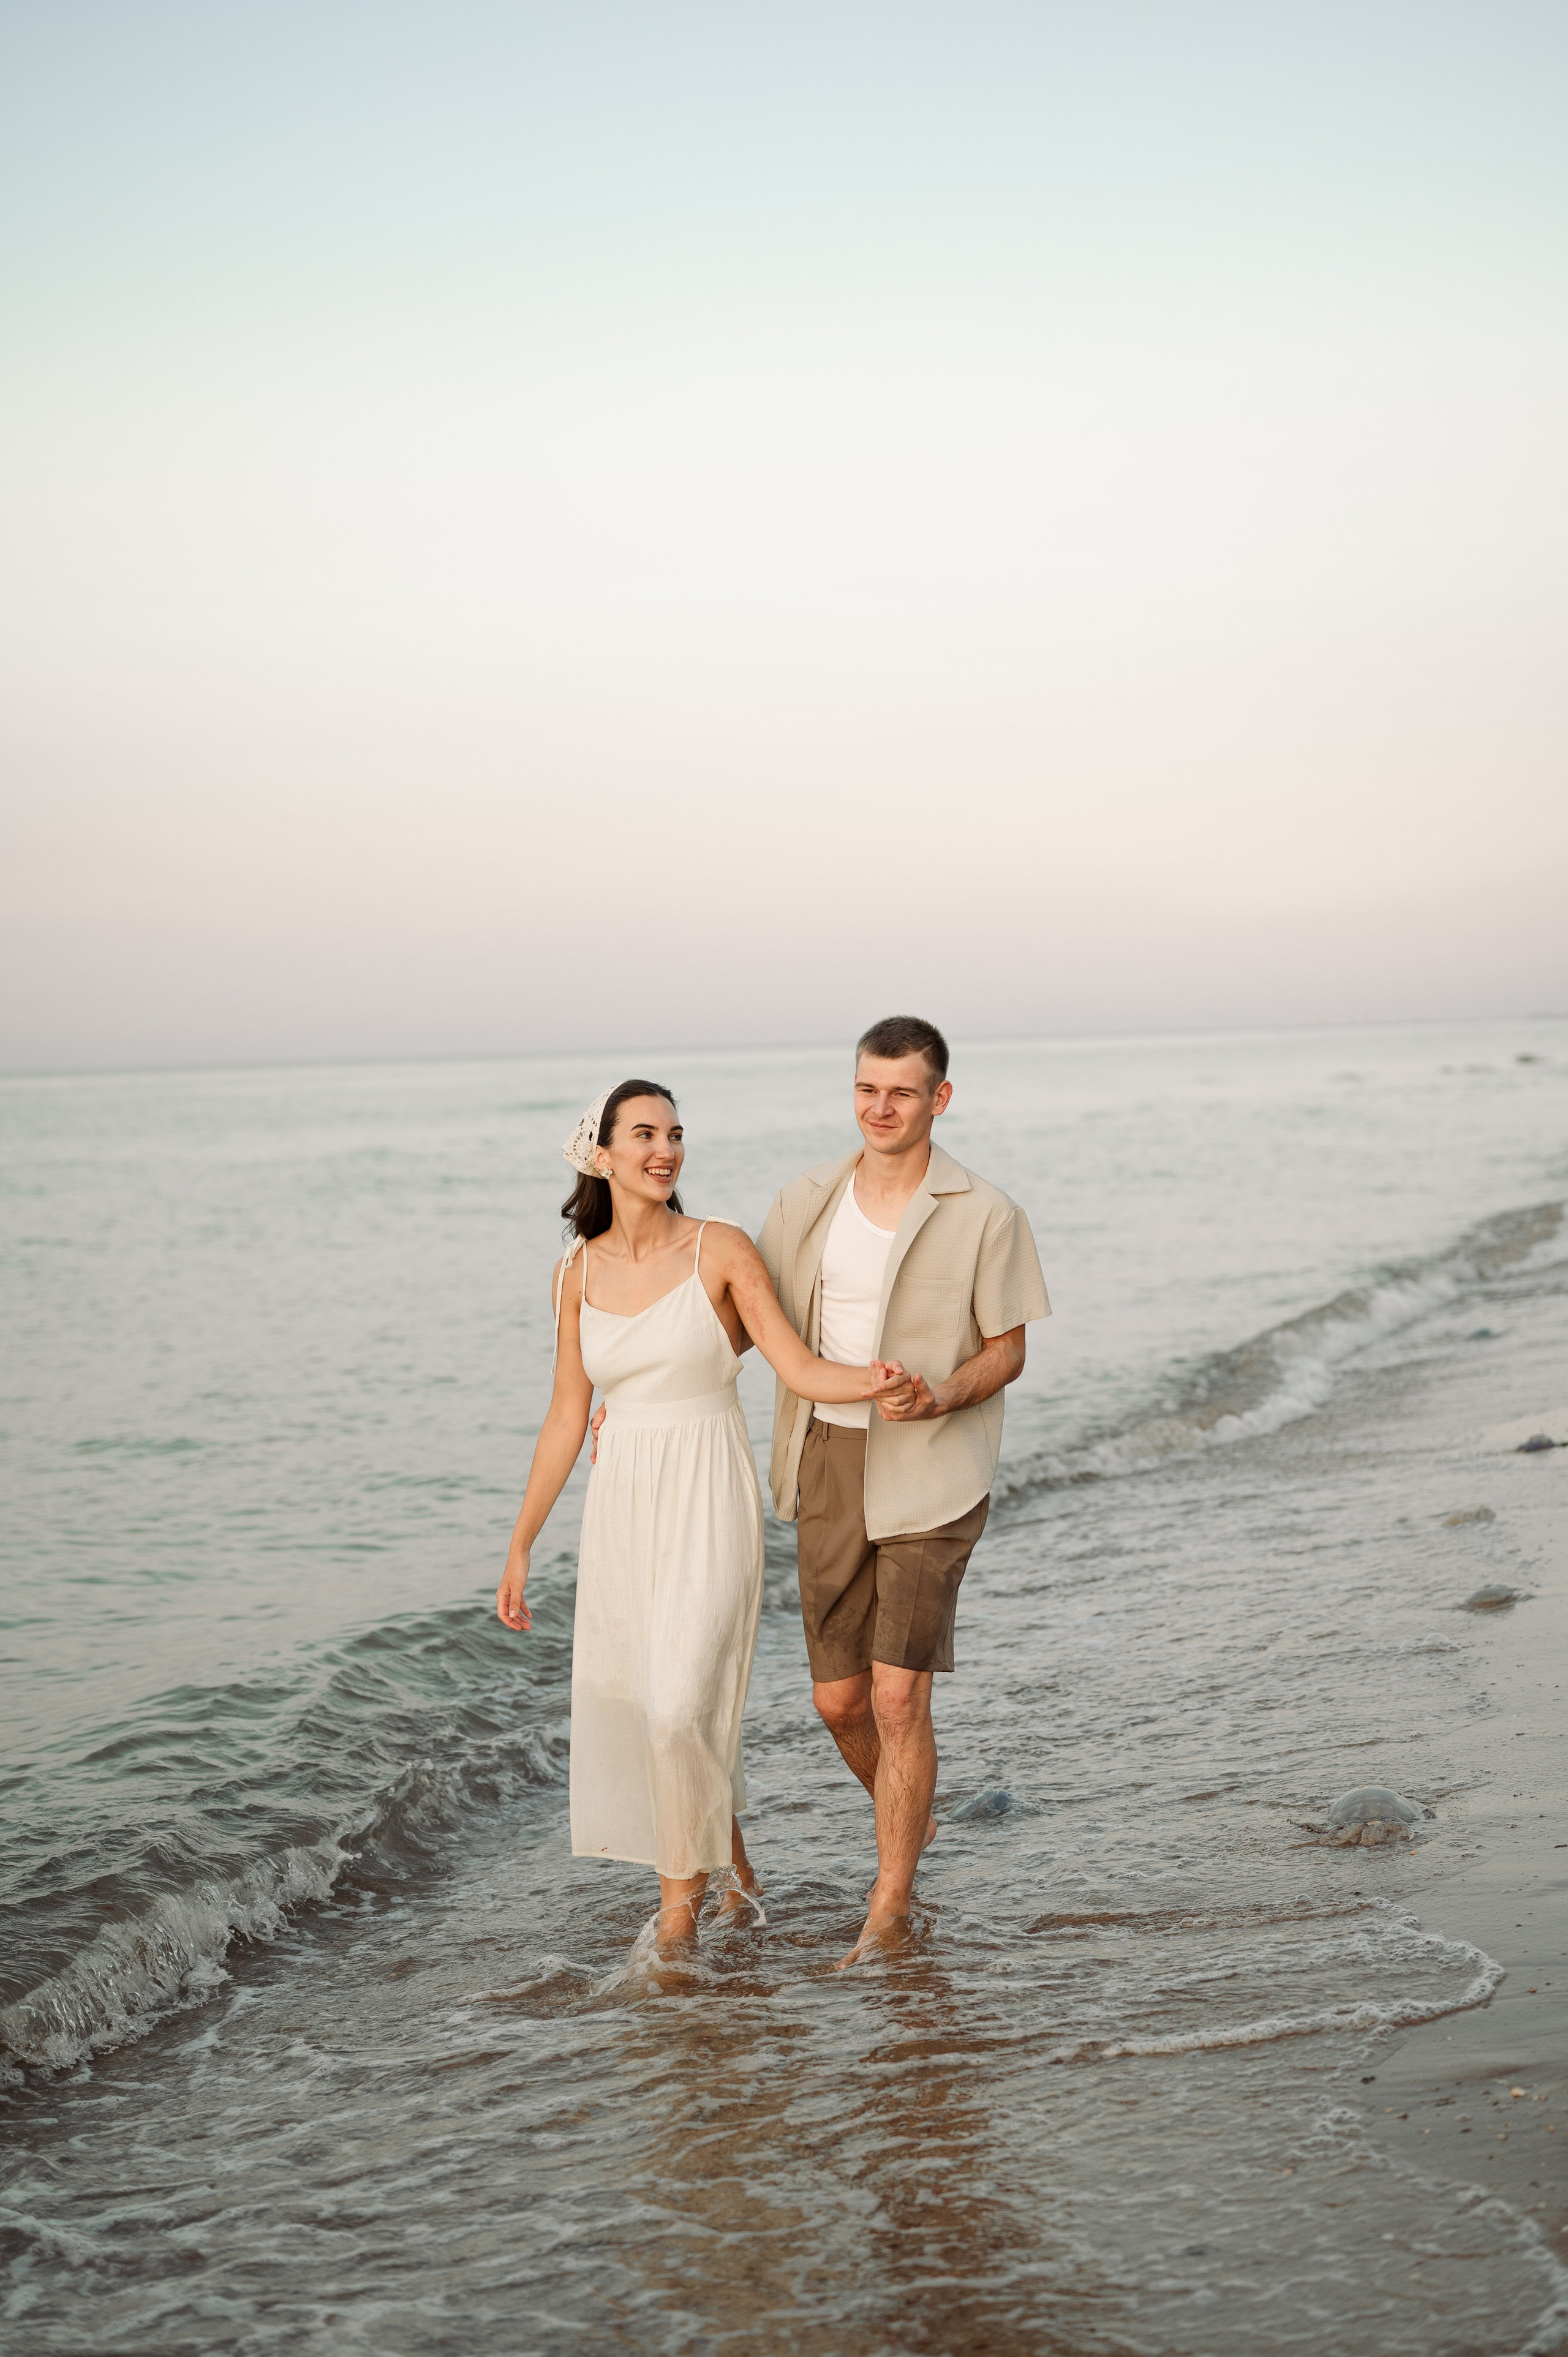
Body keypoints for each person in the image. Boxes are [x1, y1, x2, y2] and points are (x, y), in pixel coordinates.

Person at [496, 1078, 906, 1955]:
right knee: (656, 1709)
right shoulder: (574, 1273)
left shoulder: (717, 1248)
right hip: (624, 1504)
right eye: (643, 1135)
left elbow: (796, 1364)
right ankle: (738, 1875)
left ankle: (675, 1917)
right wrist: (521, 1546)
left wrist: (873, 1380)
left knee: (681, 1708)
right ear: (601, 1155)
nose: (665, 1151)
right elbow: (569, 1412)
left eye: (675, 1135)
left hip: (709, 1492)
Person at [758, 1015, 1050, 1963]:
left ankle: (889, 1905)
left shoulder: (985, 1212)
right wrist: (622, 1393)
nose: (881, 1109)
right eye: (866, 1090)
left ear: (940, 1099)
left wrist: (942, 1395)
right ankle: (910, 1818)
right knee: (838, 1704)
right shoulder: (805, 1199)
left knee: (895, 1699)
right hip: (827, 1459)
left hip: (934, 1471)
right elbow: (745, 1320)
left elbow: (1007, 1350)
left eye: (902, 1092)